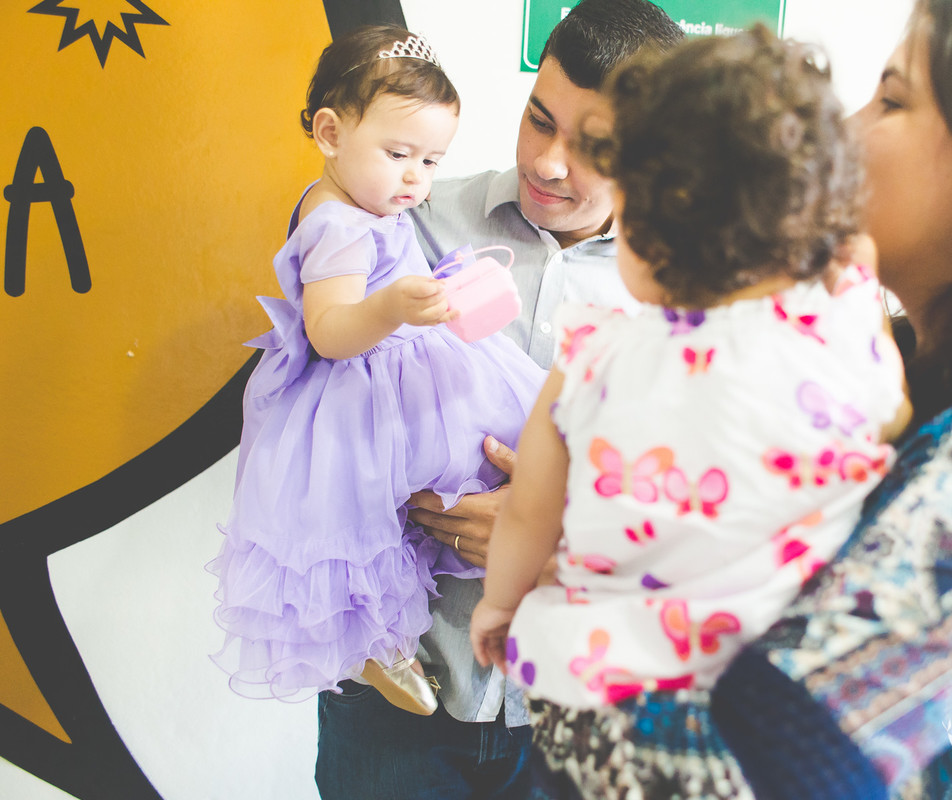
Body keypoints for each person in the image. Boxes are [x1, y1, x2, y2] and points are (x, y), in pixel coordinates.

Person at [527, 0, 952, 797]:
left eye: (893, 101)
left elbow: (732, 768)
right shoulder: (889, 358)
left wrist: (558, 606)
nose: (848, 133)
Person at [468, 21, 909, 783]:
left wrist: (499, 609)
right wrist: (855, 285)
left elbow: (528, 515)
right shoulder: (843, 346)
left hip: (596, 709)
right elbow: (891, 423)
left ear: (641, 220)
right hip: (747, 721)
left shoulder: (593, 356)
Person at [313, 2, 685, 798]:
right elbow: (316, 411)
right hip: (392, 699)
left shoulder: (692, 291)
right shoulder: (404, 219)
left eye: (594, 147)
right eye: (538, 119)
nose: (549, 164)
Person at [208, 24, 544, 716]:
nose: (417, 179)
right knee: (357, 525)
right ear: (330, 133)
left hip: (388, 377)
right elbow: (331, 332)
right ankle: (369, 645)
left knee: (484, 452)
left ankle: (416, 626)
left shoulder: (365, 202)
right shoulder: (335, 222)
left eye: (432, 160)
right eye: (399, 154)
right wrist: (393, 305)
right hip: (353, 393)